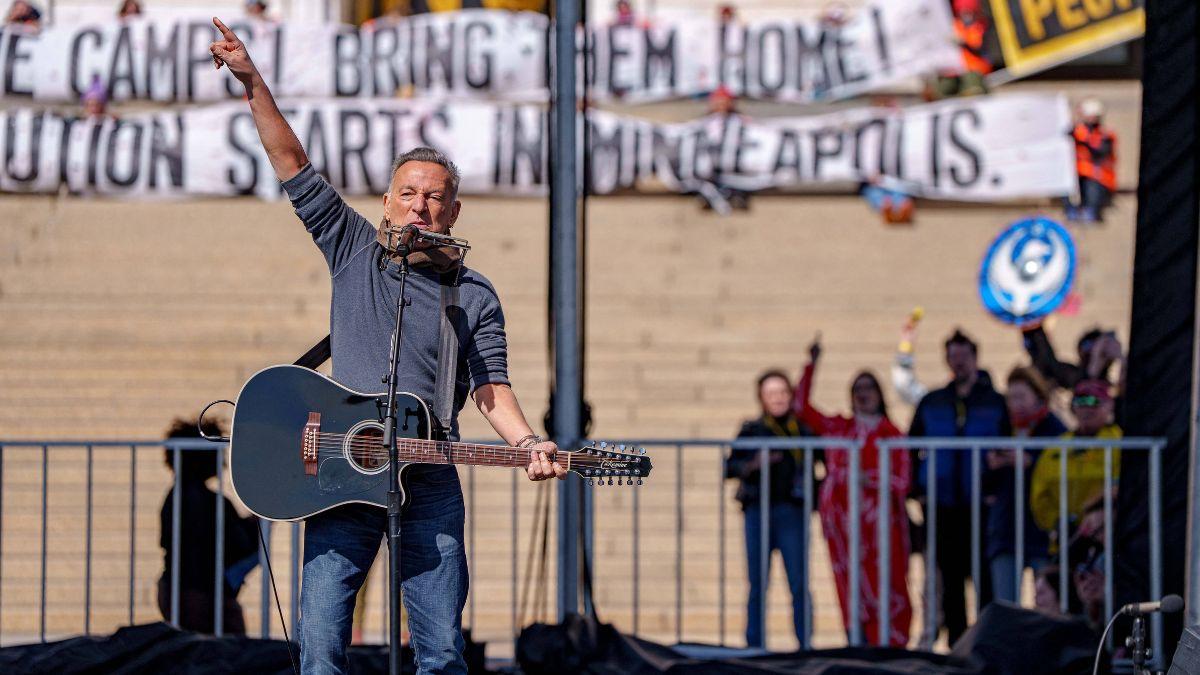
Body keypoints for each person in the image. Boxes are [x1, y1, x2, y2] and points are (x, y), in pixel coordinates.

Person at [209, 17, 565, 673]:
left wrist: (527, 443)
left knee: (441, 651)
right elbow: (293, 163)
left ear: (453, 212)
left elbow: (491, 388)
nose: (420, 207)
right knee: (319, 647)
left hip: (428, 477)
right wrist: (253, 81)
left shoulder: (474, 293)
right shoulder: (352, 248)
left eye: (435, 198)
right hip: (342, 477)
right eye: (408, 194)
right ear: (386, 202)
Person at [795, 339, 911, 646]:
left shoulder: (892, 433)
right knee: (850, 587)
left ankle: (889, 645)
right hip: (843, 527)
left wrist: (868, 479)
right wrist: (812, 364)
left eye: (868, 388)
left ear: (879, 394)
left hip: (881, 526)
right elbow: (800, 408)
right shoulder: (838, 428)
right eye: (857, 389)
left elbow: (902, 481)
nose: (863, 394)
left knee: (889, 583)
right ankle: (857, 643)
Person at [909, 329, 1009, 644]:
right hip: (942, 506)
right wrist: (919, 489)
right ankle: (956, 644)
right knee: (949, 581)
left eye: (964, 355)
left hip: (982, 505)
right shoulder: (932, 401)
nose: (959, 362)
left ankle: (985, 643)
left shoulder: (995, 402)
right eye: (953, 356)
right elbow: (911, 446)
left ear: (975, 357)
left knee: (985, 579)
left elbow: (1008, 446)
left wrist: (996, 487)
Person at [727, 369, 813, 649]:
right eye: (771, 394)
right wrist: (754, 464)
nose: (777, 399)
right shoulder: (752, 429)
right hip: (758, 513)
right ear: (762, 399)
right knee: (757, 585)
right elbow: (729, 467)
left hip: (792, 512)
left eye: (782, 393)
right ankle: (755, 645)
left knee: (799, 584)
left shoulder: (801, 429)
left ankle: (804, 643)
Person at [157, 418, 260, 634]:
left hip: (178, 589)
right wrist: (260, 517)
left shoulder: (174, 497)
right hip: (205, 594)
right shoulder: (210, 501)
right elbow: (241, 545)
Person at [984, 366, 1066, 605]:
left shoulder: (1053, 428)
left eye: (1021, 396)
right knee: (1005, 603)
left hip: (1042, 529)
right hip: (1006, 528)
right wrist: (993, 465)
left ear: (1038, 396)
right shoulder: (1002, 427)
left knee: (1047, 599)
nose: (1015, 404)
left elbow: (1060, 467)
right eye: (1011, 397)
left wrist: (1032, 462)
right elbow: (985, 484)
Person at [1030, 379, 1122, 543]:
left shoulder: (1121, 443)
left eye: (1094, 401)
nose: (1086, 408)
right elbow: (1040, 495)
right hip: (1066, 540)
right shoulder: (1057, 448)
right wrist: (1058, 522)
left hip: (1108, 536)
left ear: (1109, 405)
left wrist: (1097, 511)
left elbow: (1121, 487)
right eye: (1080, 401)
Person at [1066, 99, 1117, 223]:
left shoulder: (1106, 135)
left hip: (1100, 180)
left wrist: (1083, 140)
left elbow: (1100, 153)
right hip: (1079, 178)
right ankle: (1071, 211)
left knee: (1091, 184)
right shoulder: (1079, 132)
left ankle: (1091, 212)